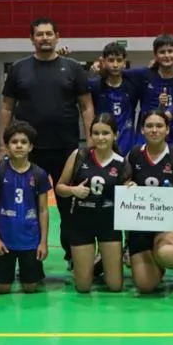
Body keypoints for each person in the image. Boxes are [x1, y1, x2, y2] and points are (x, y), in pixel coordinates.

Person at [0, 18, 94, 265]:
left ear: (57, 36)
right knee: (27, 206)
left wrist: (91, 141)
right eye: (39, 34)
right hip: (28, 152)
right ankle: (28, 257)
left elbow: (86, 106)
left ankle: (73, 255)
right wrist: (2, 144)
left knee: (69, 205)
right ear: (32, 38)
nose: (44, 38)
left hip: (66, 149)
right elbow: (7, 108)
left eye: (49, 33)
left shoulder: (73, 68)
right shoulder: (19, 69)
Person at [124, 110, 173, 293]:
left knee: (167, 253)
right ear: (142, 130)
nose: (154, 130)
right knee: (145, 286)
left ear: (167, 130)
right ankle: (156, 260)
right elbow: (124, 188)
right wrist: (128, 187)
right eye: (149, 126)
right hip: (142, 226)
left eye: (159, 126)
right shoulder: (133, 155)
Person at [56, 113, 129, 293]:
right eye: (96, 133)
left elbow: (128, 195)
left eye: (105, 133)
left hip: (108, 223)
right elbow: (59, 187)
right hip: (82, 222)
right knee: (83, 287)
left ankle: (102, 262)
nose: (100, 138)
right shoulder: (79, 156)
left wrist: (131, 187)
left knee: (115, 286)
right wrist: (73, 190)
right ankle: (91, 265)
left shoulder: (122, 163)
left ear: (115, 135)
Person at [0, 120, 50, 295]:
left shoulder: (39, 174)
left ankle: (26, 271)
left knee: (30, 288)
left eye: (23, 142)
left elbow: (43, 210)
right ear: (7, 146)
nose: (19, 146)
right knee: (3, 288)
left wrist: (43, 242)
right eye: (14, 142)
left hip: (30, 240)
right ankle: (9, 273)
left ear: (30, 147)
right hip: (5, 240)